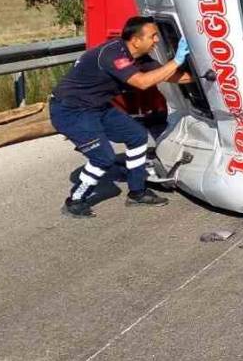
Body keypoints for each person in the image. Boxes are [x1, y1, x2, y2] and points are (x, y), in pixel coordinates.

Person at [49, 16, 193, 218]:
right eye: (153, 36)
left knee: (136, 136)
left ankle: (137, 192)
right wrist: (176, 60)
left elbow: (167, 75)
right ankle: (75, 200)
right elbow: (142, 82)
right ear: (135, 40)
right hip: (71, 110)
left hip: (98, 106)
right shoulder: (114, 54)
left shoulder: (139, 57)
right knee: (103, 158)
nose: (157, 40)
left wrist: (203, 76)